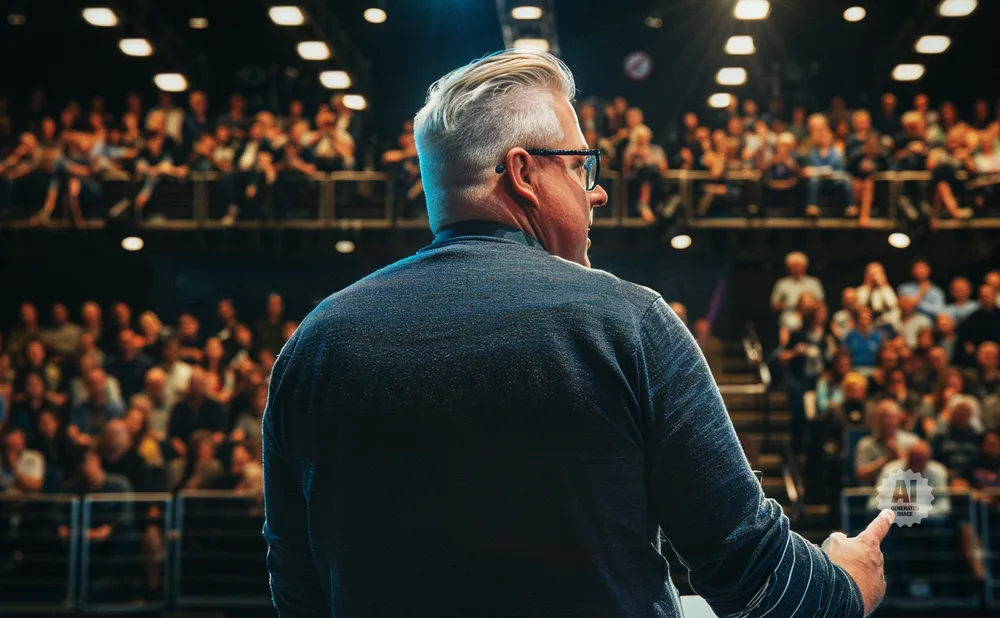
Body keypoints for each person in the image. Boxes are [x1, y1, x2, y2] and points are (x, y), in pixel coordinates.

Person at [263, 49, 892, 618]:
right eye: (580, 164)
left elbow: (298, 592)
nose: (596, 191)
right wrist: (848, 578)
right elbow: (758, 581)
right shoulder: (630, 324)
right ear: (523, 173)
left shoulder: (313, 345)